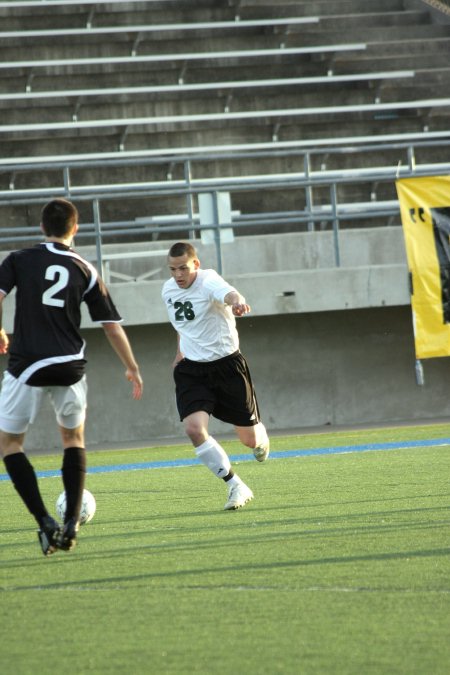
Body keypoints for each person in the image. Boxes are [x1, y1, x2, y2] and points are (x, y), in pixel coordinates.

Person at [0, 198, 143, 556]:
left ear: (41, 228)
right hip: (69, 365)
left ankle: (45, 521)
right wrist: (132, 367)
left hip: (26, 364)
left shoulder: (19, 259)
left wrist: (1, 331)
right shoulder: (85, 268)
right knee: (73, 440)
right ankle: (70, 524)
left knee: (10, 445)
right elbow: (111, 326)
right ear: (75, 228)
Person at [161, 241, 269, 511]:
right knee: (194, 429)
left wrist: (238, 303)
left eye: (183, 268)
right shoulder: (167, 290)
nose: (178, 275)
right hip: (192, 370)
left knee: (249, 440)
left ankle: (261, 436)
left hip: (227, 367)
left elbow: (230, 294)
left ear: (195, 264)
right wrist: (179, 353)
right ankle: (235, 485)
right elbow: (183, 325)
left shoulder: (208, 279)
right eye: (173, 269)